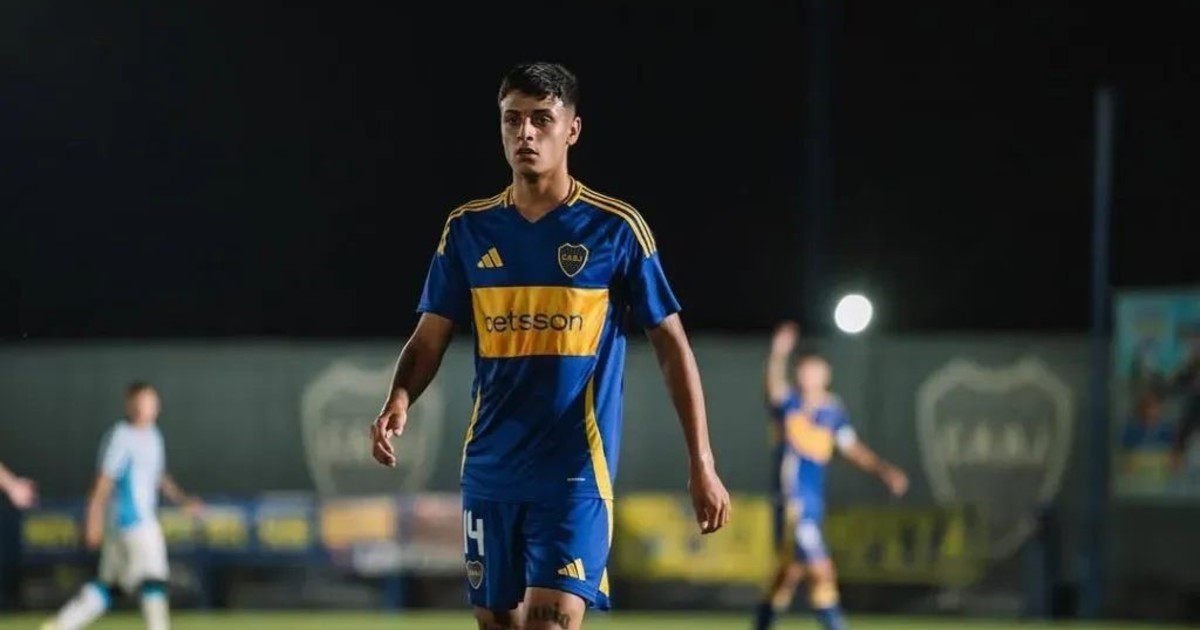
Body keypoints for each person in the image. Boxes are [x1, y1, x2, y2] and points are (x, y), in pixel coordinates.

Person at [369, 61, 731, 630]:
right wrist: (399, 397)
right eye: (512, 120)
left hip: (575, 473)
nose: (526, 133)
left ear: (572, 130)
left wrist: (701, 462)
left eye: (542, 119)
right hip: (490, 468)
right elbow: (429, 336)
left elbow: (672, 346)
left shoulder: (615, 228)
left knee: (550, 623)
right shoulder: (467, 229)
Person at [752, 322, 908, 630]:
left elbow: (851, 448)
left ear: (826, 374)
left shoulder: (833, 410)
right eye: (804, 370)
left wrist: (884, 470)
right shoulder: (789, 405)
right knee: (822, 570)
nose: (808, 376)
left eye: (815, 370)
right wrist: (778, 354)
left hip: (813, 503)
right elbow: (772, 389)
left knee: (787, 575)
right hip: (793, 503)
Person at [41, 382, 203, 630]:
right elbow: (103, 481)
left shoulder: (153, 435)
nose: (147, 407)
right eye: (142, 402)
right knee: (154, 578)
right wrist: (93, 519)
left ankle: (59, 626)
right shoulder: (121, 436)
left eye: (151, 401)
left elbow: (158, 476)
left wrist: (182, 500)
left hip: (125, 524)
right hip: (133, 520)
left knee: (109, 585)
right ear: (130, 405)